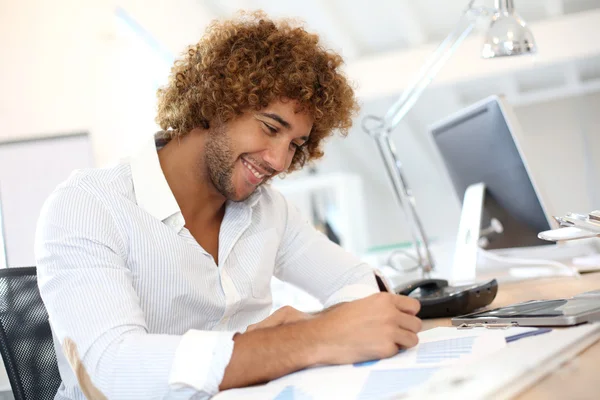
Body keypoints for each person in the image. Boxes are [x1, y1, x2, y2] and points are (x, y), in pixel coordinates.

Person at [35, 11, 422, 400]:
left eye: (295, 145)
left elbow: (358, 282)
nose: (279, 161)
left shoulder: (268, 210)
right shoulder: (88, 207)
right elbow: (113, 371)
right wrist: (305, 340)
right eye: (270, 128)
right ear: (214, 102)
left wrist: (311, 328)